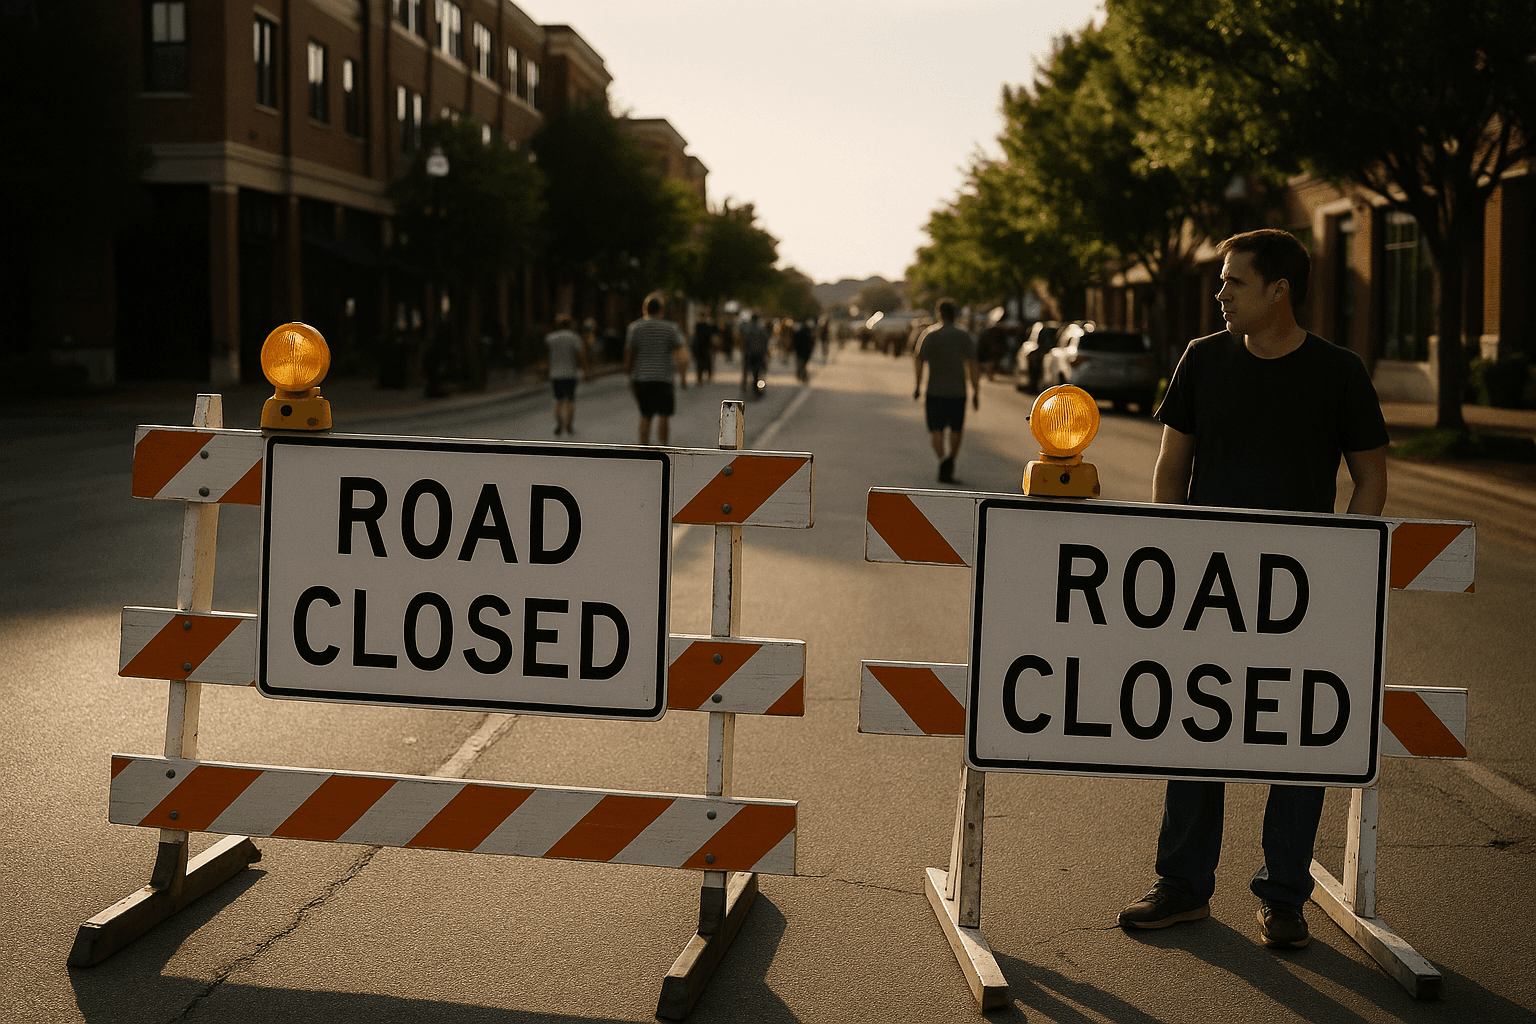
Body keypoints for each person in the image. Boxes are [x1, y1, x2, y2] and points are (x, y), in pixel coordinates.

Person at [1117, 229, 1389, 950]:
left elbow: (1371, 479)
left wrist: (1344, 569)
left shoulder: (1338, 372)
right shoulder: (1203, 360)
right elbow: (1172, 469)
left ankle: (1285, 896)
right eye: (1221, 282)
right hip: (1207, 591)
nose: (1221, 294)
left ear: (1279, 291)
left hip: (1303, 598)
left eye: (1235, 282)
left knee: (1298, 741)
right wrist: (1172, 565)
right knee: (1198, 733)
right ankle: (1182, 889)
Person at [913, 298, 980, 483]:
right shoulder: (964, 336)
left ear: (938, 313)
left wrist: (918, 385)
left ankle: (943, 460)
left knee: (936, 431)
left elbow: (918, 359)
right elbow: (973, 364)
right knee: (956, 429)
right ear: (955, 314)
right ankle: (950, 460)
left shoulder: (929, 334)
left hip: (934, 392)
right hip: (958, 392)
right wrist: (976, 391)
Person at [623, 292, 689, 445]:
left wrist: (628, 373)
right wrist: (683, 376)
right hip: (664, 378)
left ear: (645, 309)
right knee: (664, 414)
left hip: (641, 377)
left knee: (645, 414)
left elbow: (629, 353)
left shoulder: (635, 327)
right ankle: (663, 445)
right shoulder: (671, 328)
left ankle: (643, 446)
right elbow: (680, 353)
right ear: (662, 309)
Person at [543, 313, 587, 436]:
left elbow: (546, 355)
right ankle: (569, 424)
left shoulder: (550, 338)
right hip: (570, 373)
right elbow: (581, 355)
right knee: (570, 400)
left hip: (555, 373)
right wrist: (585, 370)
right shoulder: (574, 337)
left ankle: (559, 422)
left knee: (558, 400)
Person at [740, 313, 771, 399]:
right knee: (757, 372)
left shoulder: (748, 329)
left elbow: (745, 341)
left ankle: (744, 385)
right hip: (759, 354)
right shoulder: (762, 328)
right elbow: (766, 340)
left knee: (746, 370)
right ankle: (756, 389)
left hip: (749, 353)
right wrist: (766, 352)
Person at [691, 316, 718, 385]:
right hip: (705, 348)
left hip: (700, 347)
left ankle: (700, 378)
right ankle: (707, 377)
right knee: (707, 363)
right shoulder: (707, 326)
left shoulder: (698, 326)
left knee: (700, 363)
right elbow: (711, 336)